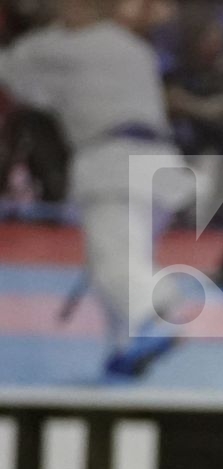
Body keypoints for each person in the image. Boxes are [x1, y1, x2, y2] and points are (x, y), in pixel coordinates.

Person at [0, 0, 192, 377]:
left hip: (113, 163)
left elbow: (11, 72)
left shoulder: (59, 46)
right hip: (156, 164)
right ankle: (123, 350)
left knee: (113, 266)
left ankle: (165, 304)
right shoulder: (133, 48)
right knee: (125, 257)